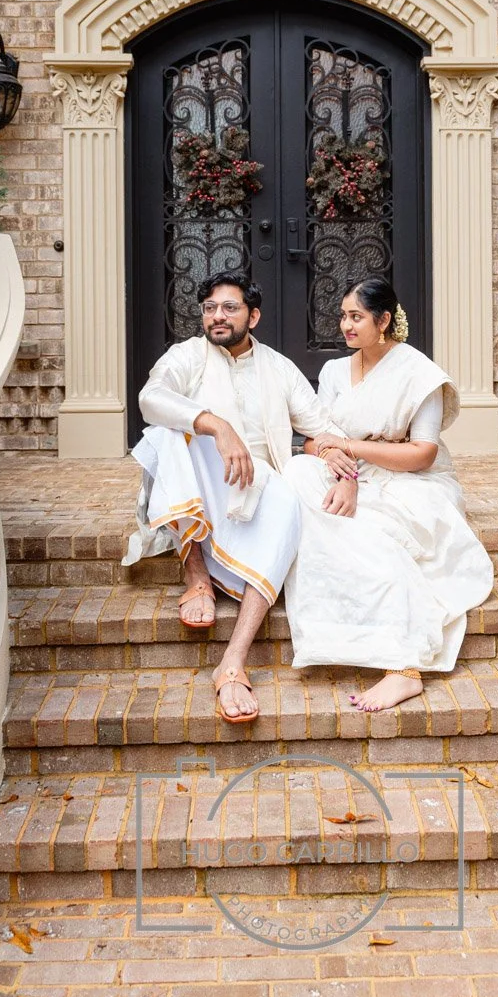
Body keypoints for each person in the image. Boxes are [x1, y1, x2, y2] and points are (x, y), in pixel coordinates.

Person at [125, 273, 342, 725]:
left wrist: (348, 471)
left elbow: (322, 428)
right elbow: (151, 399)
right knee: (167, 436)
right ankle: (197, 577)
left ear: (253, 316)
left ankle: (232, 662)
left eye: (229, 308)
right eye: (209, 308)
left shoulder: (279, 367)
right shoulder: (186, 356)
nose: (217, 316)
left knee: (287, 497)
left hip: (259, 490)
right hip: (205, 482)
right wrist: (216, 426)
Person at [283, 277, 494, 712]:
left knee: (376, 532)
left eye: (356, 316)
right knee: (294, 472)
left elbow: (423, 453)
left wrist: (350, 451)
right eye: (343, 315)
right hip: (350, 473)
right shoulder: (333, 372)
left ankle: (404, 667)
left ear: (383, 321)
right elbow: (316, 440)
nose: (345, 325)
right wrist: (338, 463)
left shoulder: (420, 374)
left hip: (412, 482)